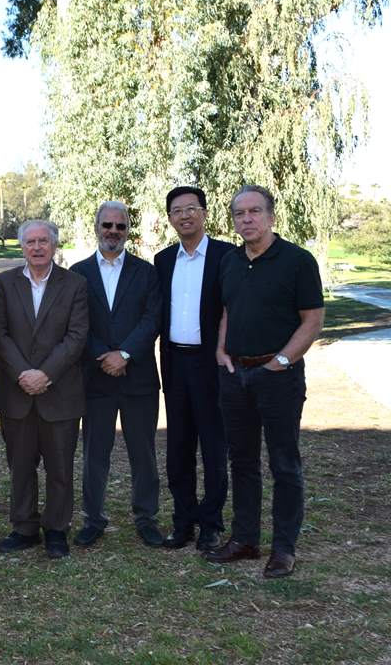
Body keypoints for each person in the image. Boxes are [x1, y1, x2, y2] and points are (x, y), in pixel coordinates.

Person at [208, 185, 324, 578]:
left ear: (271, 216)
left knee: (284, 464)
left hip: (279, 378)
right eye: (240, 214)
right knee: (241, 460)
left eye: (255, 211)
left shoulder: (297, 261)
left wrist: (279, 362)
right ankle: (245, 539)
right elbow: (228, 309)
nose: (247, 219)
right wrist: (222, 351)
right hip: (234, 373)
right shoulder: (230, 261)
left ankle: (284, 548)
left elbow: (312, 321)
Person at [0, 220, 89, 559]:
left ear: (54, 245)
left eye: (43, 241)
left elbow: (76, 337)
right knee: (20, 464)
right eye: (30, 241)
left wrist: (45, 373)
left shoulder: (75, 284)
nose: (36, 247)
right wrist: (23, 373)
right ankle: (24, 527)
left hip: (59, 391)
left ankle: (57, 529)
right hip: (16, 392)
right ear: (22, 246)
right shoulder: (5, 282)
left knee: (60, 467)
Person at [71, 201, 163, 549]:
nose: (113, 231)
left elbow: (152, 318)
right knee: (95, 452)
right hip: (95, 378)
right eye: (107, 225)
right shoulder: (78, 273)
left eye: (120, 227)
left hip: (137, 377)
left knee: (144, 451)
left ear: (128, 231)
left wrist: (124, 354)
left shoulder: (147, 272)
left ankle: (146, 517)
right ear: (96, 226)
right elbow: (78, 323)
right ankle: (93, 518)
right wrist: (102, 355)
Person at [154, 186, 234, 551]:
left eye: (191, 209)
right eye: (177, 211)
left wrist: (222, 348)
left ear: (204, 212)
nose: (184, 216)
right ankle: (183, 521)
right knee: (179, 447)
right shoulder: (163, 260)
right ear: (169, 218)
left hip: (210, 363)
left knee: (214, 447)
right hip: (175, 363)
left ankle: (211, 524)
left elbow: (233, 308)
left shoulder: (226, 256)